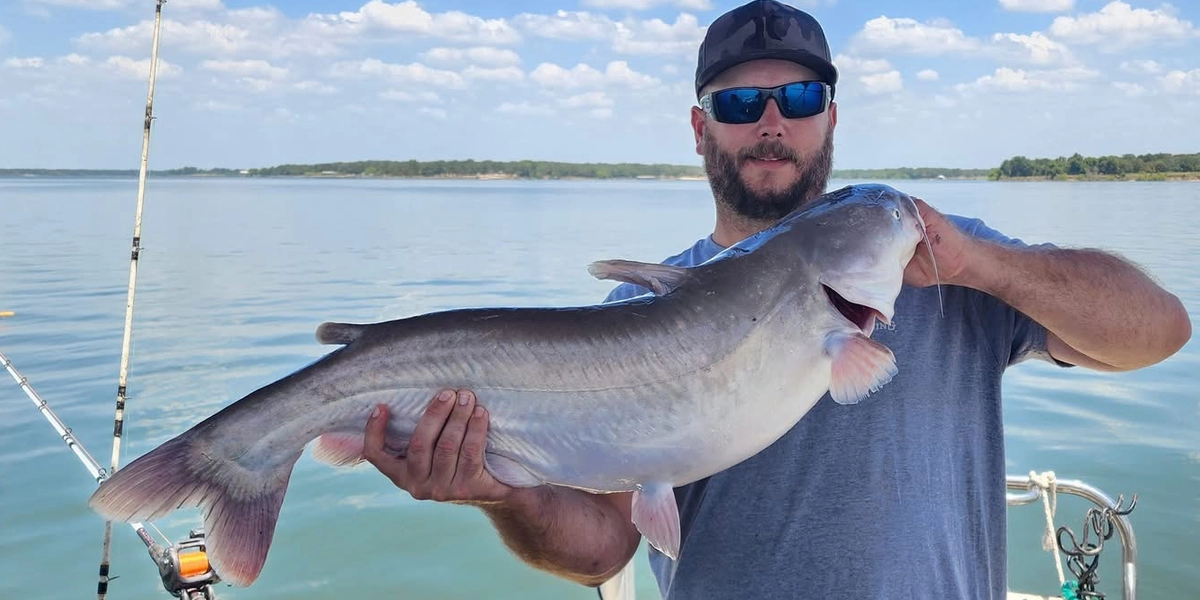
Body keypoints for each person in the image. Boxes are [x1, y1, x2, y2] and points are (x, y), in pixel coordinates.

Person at [360, 1, 1191, 597]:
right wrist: (502, 492)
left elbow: (1158, 333)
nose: (770, 122)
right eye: (738, 102)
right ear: (700, 129)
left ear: (830, 117)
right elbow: (602, 550)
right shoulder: (638, 313)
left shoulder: (947, 262)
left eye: (797, 99)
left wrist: (988, 265)